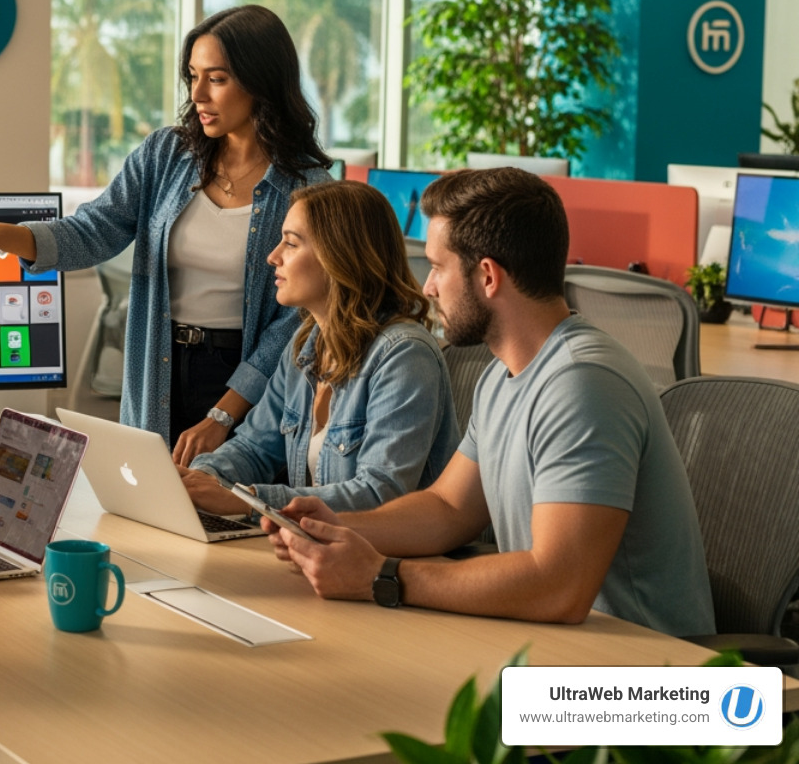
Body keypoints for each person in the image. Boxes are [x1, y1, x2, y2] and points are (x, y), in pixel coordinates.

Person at [270, 168, 715, 637]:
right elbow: (448, 509)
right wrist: (337, 528)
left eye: (438, 268)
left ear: (487, 276)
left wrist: (381, 577)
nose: (427, 287)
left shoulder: (581, 383)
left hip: (641, 671)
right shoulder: (502, 377)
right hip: (554, 644)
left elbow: (558, 585)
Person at [0, 5, 332, 461]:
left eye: (218, 78)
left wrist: (225, 412)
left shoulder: (307, 187)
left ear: (260, 80)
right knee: (150, 505)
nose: (199, 94)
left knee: (227, 514)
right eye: (192, 76)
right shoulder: (167, 154)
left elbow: (297, 323)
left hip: (252, 379)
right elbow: (93, 230)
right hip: (159, 364)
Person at [179, 180, 458, 516]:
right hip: (319, 550)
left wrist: (250, 499)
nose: (273, 256)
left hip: (391, 563)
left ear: (338, 256)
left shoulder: (404, 356)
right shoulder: (303, 347)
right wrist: (199, 478)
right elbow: (254, 449)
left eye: (291, 244)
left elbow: (380, 494)